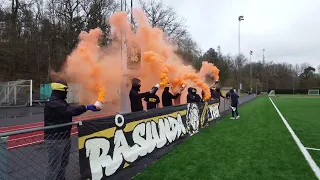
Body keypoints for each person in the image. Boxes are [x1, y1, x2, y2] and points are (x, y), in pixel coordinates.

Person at [44, 80, 100, 180]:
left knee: (63, 164)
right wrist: (86, 107)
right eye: (65, 90)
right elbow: (70, 111)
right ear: (60, 91)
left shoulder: (60, 102)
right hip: (55, 139)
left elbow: (69, 108)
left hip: (64, 137)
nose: (66, 92)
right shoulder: (53, 103)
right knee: (54, 167)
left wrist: (86, 107)